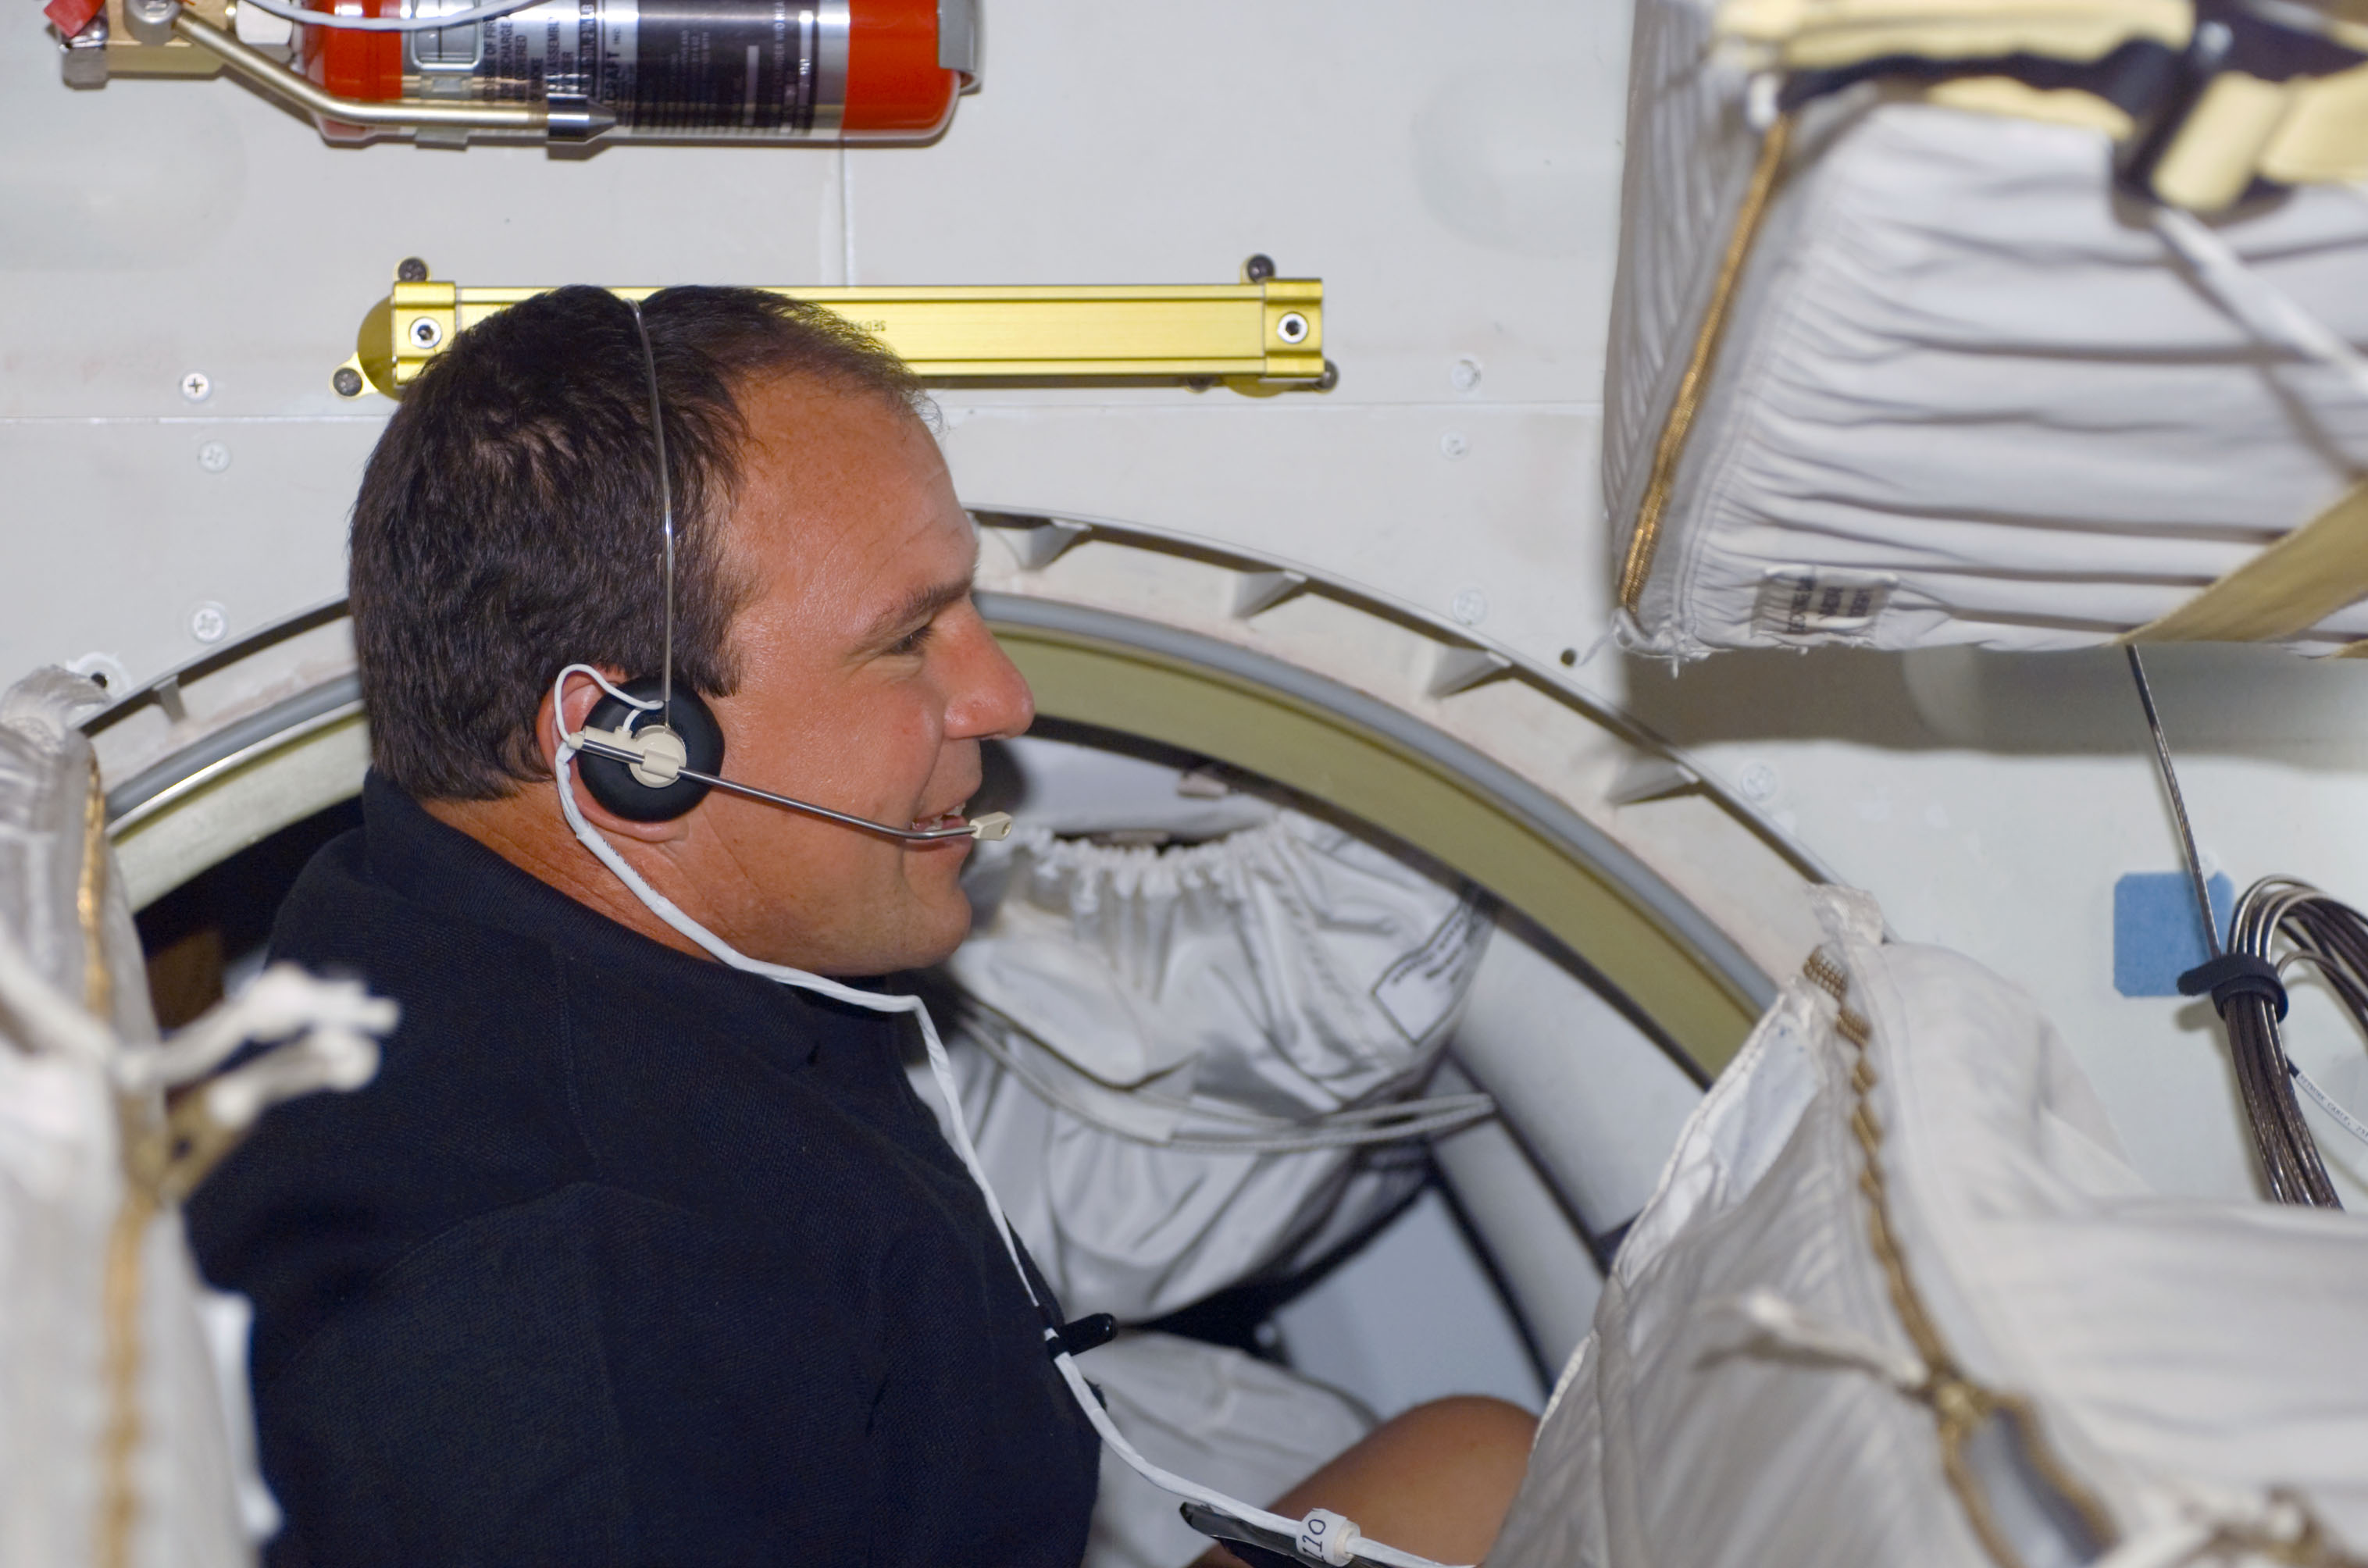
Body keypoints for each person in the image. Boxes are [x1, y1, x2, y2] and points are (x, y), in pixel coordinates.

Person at [188, 284, 1533, 1567]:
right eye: (910, 641)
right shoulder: (573, 1320)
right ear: (633, 747)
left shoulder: (492, 940)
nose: (1001, 699)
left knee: (1477, 1467)